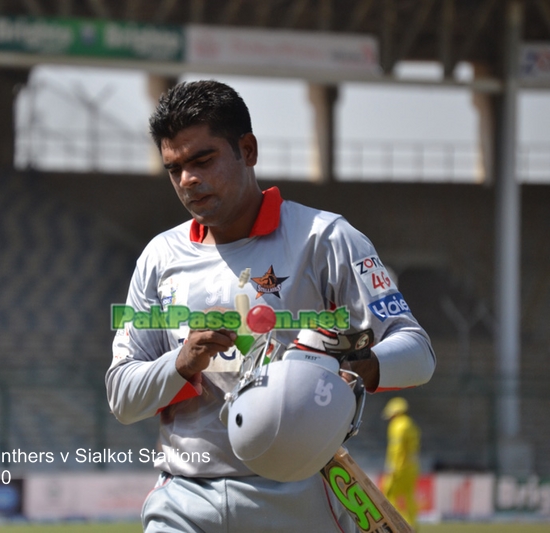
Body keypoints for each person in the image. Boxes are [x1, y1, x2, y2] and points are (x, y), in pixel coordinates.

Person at [106, 80, 435, 532]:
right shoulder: (159, 257)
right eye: (174, 168)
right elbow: (122, 397)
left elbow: (418, 351)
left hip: (300, 500)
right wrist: (180, 363)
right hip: (183, 502)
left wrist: (355, 366)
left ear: (248, 149)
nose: (188, 180)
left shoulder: (326, 238)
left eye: (203, 160)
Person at [381, 397, 421, 527]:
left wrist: (391, 466)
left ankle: (398, 523)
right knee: (409, 495)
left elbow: (396, 449)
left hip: (399, 467)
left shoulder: (398, 425)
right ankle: (412, 524)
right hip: (412, 467)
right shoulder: (411, 424)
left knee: (388, 494)